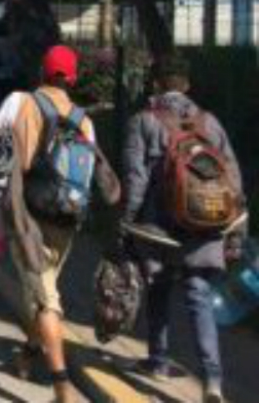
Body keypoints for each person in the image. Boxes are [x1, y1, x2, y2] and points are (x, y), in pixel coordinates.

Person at [0, 45, 119, 403]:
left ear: (42, 72)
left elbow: (0, 150)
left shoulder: (23, 104)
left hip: (28, 215)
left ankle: (62, 385)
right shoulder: (85, 120)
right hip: (67, 218)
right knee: (42, 291)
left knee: (46, 300)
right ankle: (27, 357)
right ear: (73, 77)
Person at [123, 55, 245, 403]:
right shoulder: (210, 122)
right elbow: (232, 177)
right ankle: (212, 380)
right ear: (187, 86)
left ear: (155, 84)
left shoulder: (143, 121)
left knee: (158, 290)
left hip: (158, 226)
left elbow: (136, 179)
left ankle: (158, 361)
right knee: (198, 296)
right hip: (205, 222)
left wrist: (127, 223)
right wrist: (236, 228)